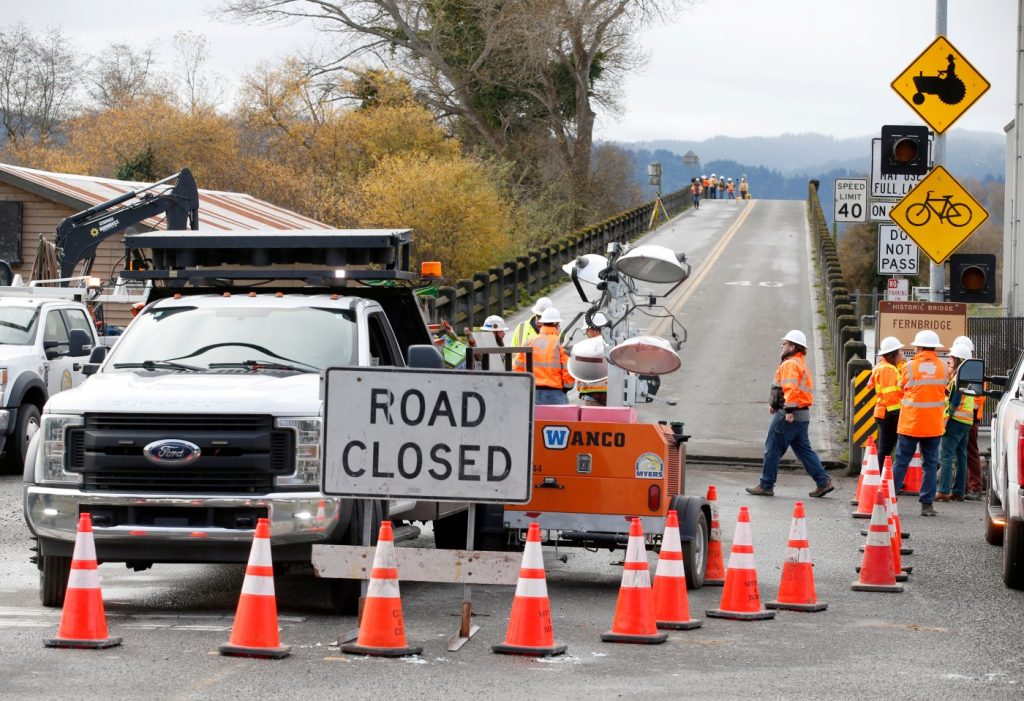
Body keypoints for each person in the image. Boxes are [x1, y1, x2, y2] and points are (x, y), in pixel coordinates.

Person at [746, 330, 834, 498]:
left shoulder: (790, 364)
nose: (782, 346)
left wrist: (788, 411)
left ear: (793, 346)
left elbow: (791, 389)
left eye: (785, 344)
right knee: (804, 451)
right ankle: (823, 482)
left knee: (772, 448)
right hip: (802, 415)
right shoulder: (800, 362)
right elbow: (789, 390)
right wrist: (775, 404)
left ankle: (766, 485)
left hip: (790, 415)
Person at [891, 330, 949, 516]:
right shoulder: (944, 367)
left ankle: (889, 499)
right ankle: (927, 505)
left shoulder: (908, 367)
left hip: (911, 423)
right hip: (933, 424)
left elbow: (902, 387)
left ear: (919, 347)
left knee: (901, 462)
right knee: (930, 464)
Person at [936, 342, 975, 502]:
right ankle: (959, 491)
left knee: (946, 455)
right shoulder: (969, 374)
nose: (949, 359)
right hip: (966, 421)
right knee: (961, 455)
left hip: (955, 420)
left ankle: (944, 491)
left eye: (951, 357)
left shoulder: (960, 375)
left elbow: (955, 399)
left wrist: (947, 418)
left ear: (958, 359)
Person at [513, 306, 573, 405]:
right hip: (555, 394)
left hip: (532, 392)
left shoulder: (528, 342)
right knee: (560, 420)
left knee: (533, 420)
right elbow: (567, 370)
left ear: (542, 323)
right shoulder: (559, 344)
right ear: (556, 324)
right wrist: (567, 387)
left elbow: (517, 368)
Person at [953, 335, 985, 500]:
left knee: (969, 452)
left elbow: (976, 398)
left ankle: (974, 487)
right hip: (969, 416)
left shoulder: (971, 369)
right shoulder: (974, 367)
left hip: (968, 417)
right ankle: (966, 487)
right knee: (964, 453)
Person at [868, 336, 904, 460]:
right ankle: (878, 475)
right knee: (885, 449)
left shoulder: (884, 366)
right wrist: (897, 413)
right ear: (892, 354)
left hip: (885, 412)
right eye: (900, 351)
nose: (902, 354)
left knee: (886, 448)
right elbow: (891, 394)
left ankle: (880, 475)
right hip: (888, 414)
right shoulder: (888, 369)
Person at [576, 312, 608, 406]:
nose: (586, 333)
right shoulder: (613, 343)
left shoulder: (588, 347)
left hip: (593, 397)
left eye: (587, 330)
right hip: (614, 396)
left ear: (593, 330)